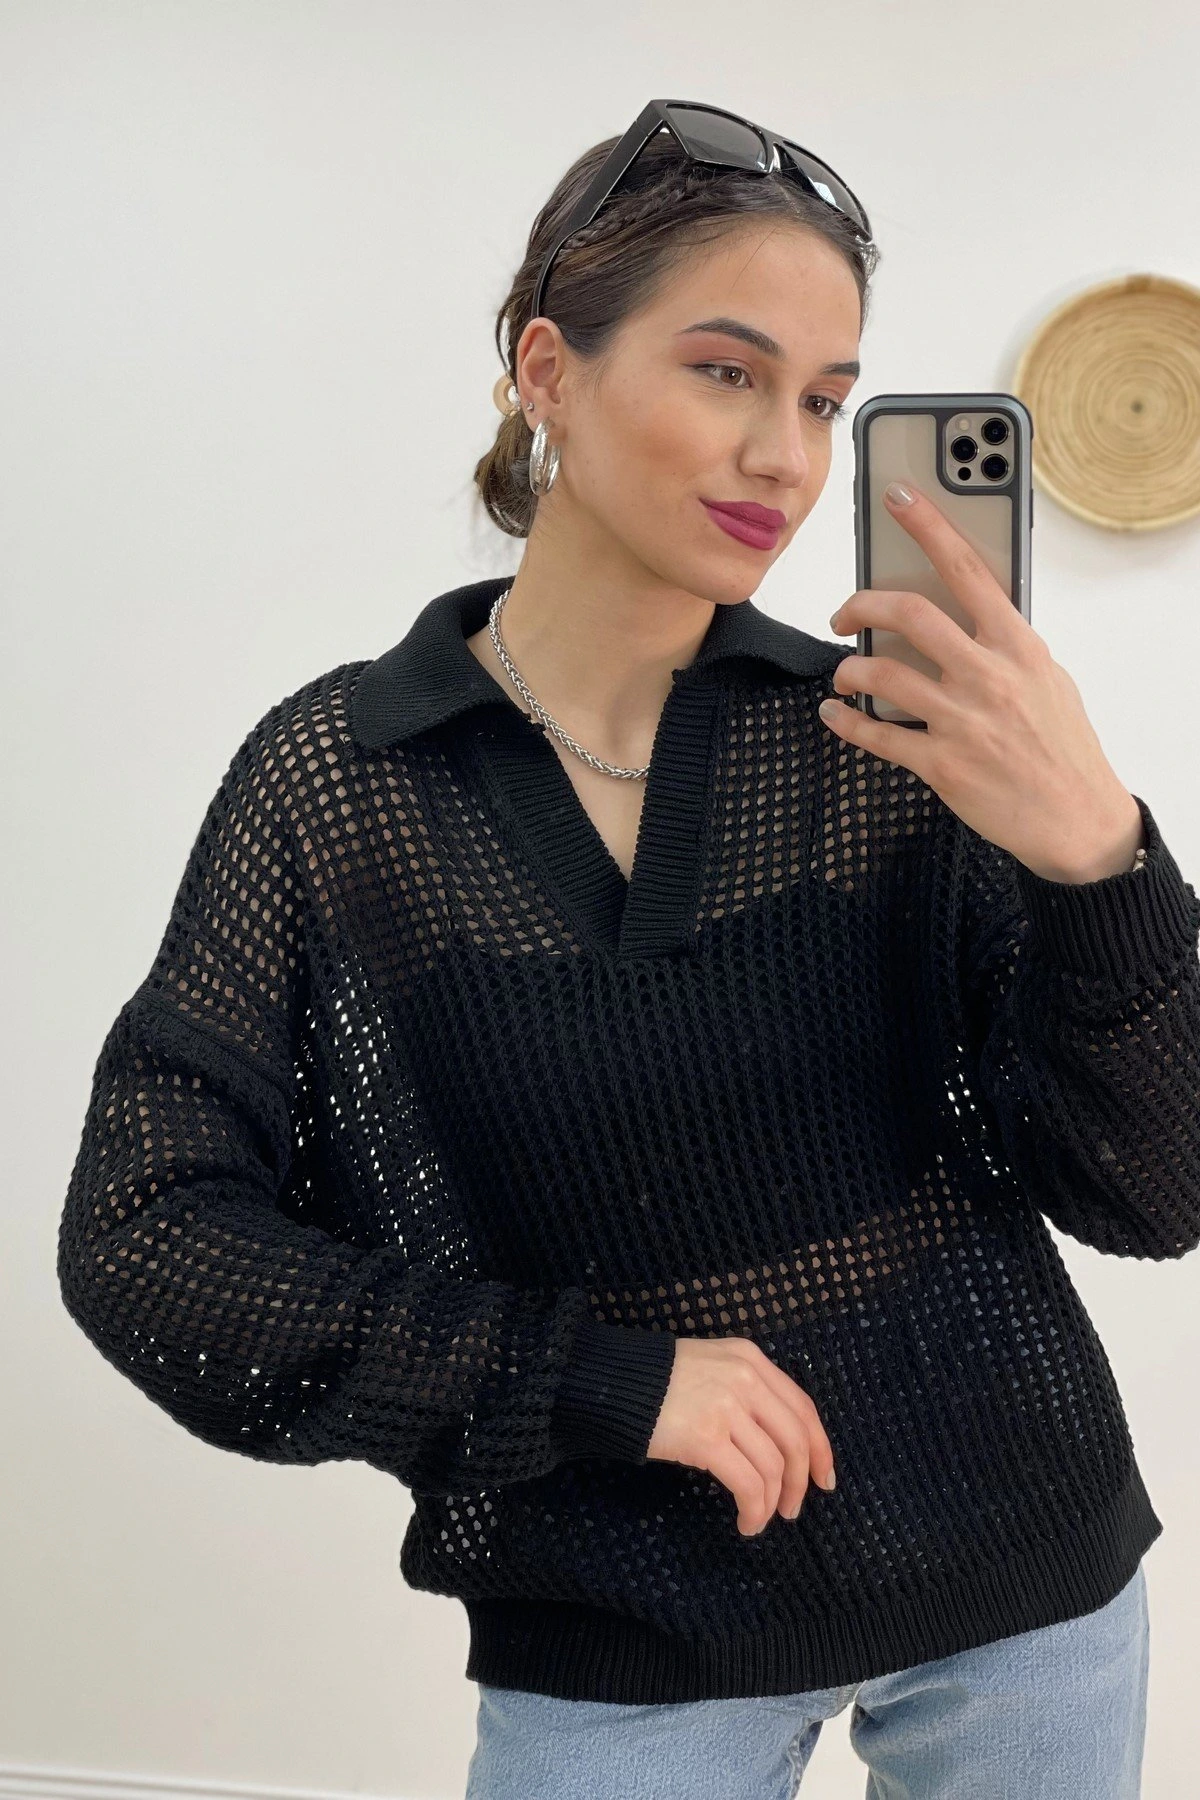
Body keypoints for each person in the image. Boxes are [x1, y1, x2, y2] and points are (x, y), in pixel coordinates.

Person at [57, 102, 1200, 1799]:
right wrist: (590, 1379)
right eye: (727, 372)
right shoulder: (341, 786)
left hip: (1021, 1587)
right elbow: (146, 1237)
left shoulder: (889, 747)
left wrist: (1101, 858)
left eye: (823, 400)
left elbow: (1157, 1191)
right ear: (549, 371)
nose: (785, 458)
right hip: (623, 1630)